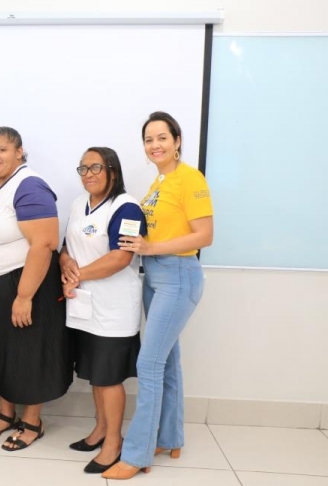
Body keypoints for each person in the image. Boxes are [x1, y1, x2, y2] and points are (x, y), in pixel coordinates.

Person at [103, 112, 213, 480]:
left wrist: (151, 248)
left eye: (162, 137)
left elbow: (204, 236)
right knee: (166, 363)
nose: (155, 145)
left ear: (177, 140)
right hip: (155, 277)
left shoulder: (189, 179)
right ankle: (170, 437)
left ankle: (137, 454)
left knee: (148, 365)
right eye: (149, 140)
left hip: (178, 277)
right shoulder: (158, 183)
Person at [0, 126, 72, 451]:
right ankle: (6, 413)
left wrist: (25, 296)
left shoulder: (29, 186)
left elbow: (44, 244)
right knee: (1, 352)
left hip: (23, 286)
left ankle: (32, 422)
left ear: (19, 152)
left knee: (29, 353)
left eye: (1, 149)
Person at [60, 147, 146, 473]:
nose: (89, 174)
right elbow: (66, 246)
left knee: (109, 378)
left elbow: (120, 257)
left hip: (114, 308)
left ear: (112, 169)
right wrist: (66, 265)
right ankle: (99, 430)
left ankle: (114, 443)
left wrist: (77, 274)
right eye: (83, 168)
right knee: (95, 373)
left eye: (96, 167)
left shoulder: (127, 207)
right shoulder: (77, 205)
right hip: (82, 304)